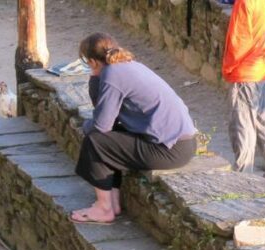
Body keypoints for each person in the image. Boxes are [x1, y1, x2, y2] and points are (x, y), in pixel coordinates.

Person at [71, 33, 197, 224]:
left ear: (92, 61)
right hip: (183, 144)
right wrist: (96, 80)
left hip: (169, 150)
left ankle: (104, 209)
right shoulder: (129, 65)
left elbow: (101, 126)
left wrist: (87, 122)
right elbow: (110, 123)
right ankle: (112, 203)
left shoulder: (112, 75)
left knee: (95, 141)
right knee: (109, 139)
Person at [223, 0, 265, 181]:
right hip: (261, 68)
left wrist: (228, 68)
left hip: (245, 72)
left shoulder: (244, 3)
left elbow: (238, 42)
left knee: (243, 127)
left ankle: (243, 179)